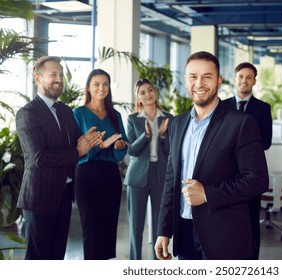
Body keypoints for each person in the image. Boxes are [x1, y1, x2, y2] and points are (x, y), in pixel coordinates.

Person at [154, 51, 268, 260]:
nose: (200, 83)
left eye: (207, 76)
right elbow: (171, 180)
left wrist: (207, 194)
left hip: (224, 236)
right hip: (185, 232)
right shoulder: (177, 124)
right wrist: (163, 230)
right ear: (186, 80)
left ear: (219, 81)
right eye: (193, 77)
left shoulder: (241, 123)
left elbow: (257, 181)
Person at [15, 56, 102, 260]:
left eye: (61, 75)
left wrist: (88, 142)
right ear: (38, 78)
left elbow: (72, 147)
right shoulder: (27, 113)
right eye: (53, 74)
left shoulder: (65, 111)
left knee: (57, 257)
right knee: (38, 258)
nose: (59, 79)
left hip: (64, 195)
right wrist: (78, 151)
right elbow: (39, 157)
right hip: (40, 198)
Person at [73, 69, 129, 260]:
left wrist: (119, 146)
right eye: (96, 84)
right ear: (88, 87)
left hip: (110, 176)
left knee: (108, 229)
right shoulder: (78, 114)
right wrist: (100, 146)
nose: (101, 88)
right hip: (87, 176)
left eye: (105, 84)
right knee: (92, 230)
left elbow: (121, 148)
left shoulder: (115, 115)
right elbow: (76, 151)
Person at [222, 62, 272, 259]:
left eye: (249, 77)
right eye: (241, 76)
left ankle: (252, 262)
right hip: (224, 172)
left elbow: (266, 142)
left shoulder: (263, 108)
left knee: (251, 219)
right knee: (226, 221)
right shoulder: (222, 106)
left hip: (250, 173)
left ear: (254, 81)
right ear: (235, 79)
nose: (244, 80)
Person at [124, 79, 173, 260]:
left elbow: (171, 151)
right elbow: (132, 150)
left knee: (160, 227)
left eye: (150, 90)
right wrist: (146, 136)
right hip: (137, 178)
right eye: (142, 92)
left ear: (155, 92)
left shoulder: (168, 118)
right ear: (138, 98)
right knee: (136, 227)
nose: (147, 94)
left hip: (161, 176)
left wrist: (161, 136)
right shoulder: (133, 119)